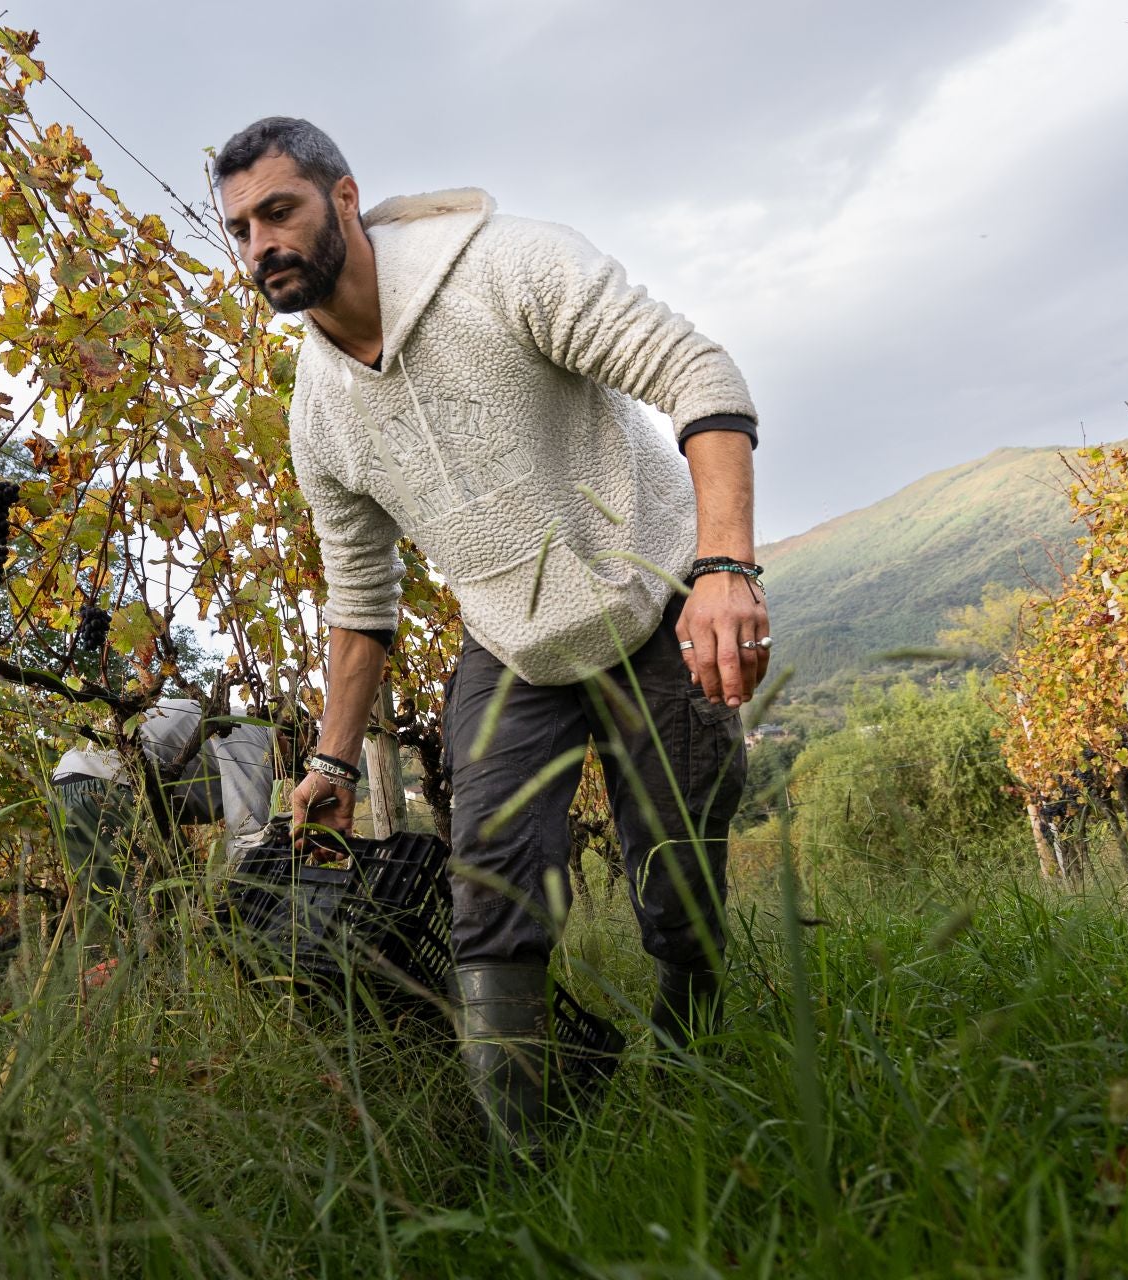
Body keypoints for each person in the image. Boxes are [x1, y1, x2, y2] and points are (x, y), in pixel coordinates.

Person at [213, 117, 768, 1156]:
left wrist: (724, 566)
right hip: (512, 645)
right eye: (240, 229)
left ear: (341, 198)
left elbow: (700, 373)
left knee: (674, 882)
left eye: (277, 212)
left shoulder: (507, 267)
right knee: (491, 893)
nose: (260, 247)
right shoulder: (316, 413)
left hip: (651, 598)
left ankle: (695, 1058)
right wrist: (333, 756)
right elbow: (359, 599)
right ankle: (526, 1165)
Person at [50, 698, 290, 935]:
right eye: (293, 757)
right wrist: (253, 904)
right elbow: (247, 835)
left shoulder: (228, 722)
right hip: (107, 786)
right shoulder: (250, 731)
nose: (288, 769)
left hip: (66, 791)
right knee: (178, 913)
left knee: (122, 919)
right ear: (283, 734)